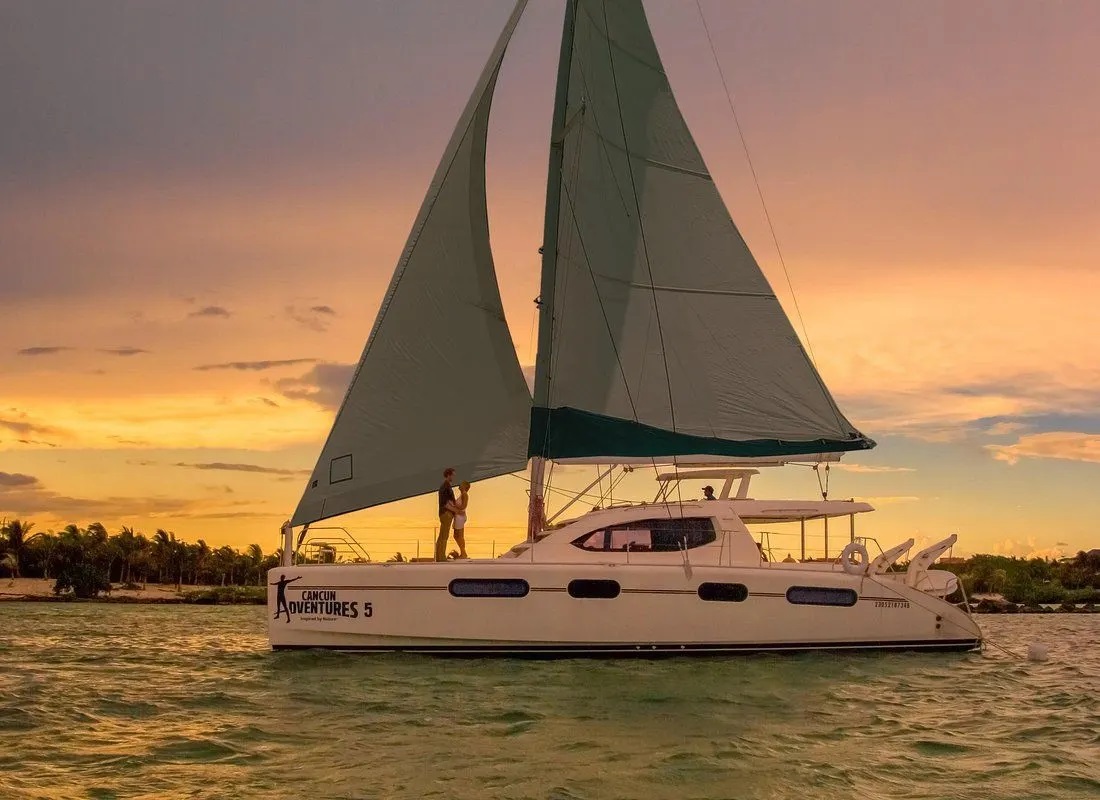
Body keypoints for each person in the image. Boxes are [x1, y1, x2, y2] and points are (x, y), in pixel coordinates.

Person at [436, 467, 459, 561]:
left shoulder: (445, 486)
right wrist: (455, 510)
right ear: (448, 475)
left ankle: (439, 556)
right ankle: (441, 557)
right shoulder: (446, 487)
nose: (454, 476)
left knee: (442, 536)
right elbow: (446, 503)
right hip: (446, 513)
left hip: (445, 513)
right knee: (444, 536)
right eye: (453, 475)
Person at [452, 481, 471, 559]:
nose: (459, 485)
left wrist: (454, 508)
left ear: (464, 486)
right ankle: (463, 553)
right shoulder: (462, 494)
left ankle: (463, 553)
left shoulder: (464, 494)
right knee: (457, 535)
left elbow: (464, 506)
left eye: (461, 484)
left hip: (460, 516)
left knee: (459, 536)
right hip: (458, 516)